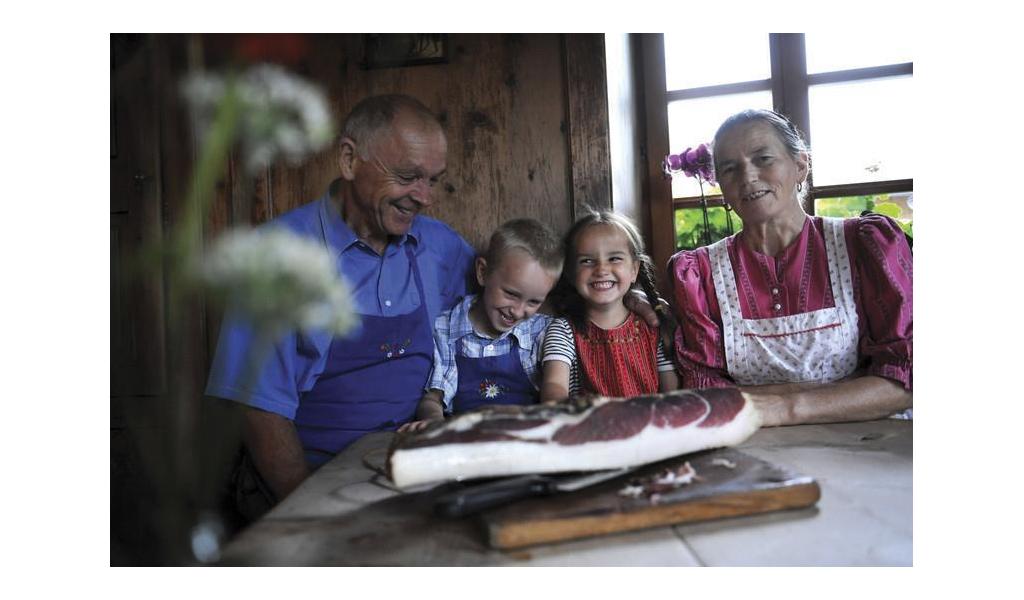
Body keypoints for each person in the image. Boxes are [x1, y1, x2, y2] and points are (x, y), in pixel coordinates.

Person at [205, 94, 476, 511]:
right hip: (311, 480)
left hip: (417, 474)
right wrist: (316, 514)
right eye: (408, 176)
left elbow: (495, 323)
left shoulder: (441, 247)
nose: (425, 198)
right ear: (349, 159)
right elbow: (259, 409)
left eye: (433, 180)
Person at [668, 109, 912, 426]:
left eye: (763, 159)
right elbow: (705, 393)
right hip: (755, 453)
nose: (747, 176)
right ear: (723, 189)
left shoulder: (863, 246)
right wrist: (848, 388)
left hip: (867, 448)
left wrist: (786, 407)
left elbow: (905, 380)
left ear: (800, 165)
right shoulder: (700, 273)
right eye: (730, 169)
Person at [399, 218, 564, 433]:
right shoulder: (445, 328)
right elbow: (434, 396)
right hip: (466, 442)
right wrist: (433, 425)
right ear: (483, 272)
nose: (518, 310)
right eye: (511, 294)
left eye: (533, 302)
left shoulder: (543, 332)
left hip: (526, 441)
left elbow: (556, 396)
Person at [541, 210, 680, 403]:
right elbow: (554, 388)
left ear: (634, 270)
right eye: (587, 261)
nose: (601, 269)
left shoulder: (652, 328)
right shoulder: (564, 331)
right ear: (571, 274)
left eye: (614, 258)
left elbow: (672, 395)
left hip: (648, 428)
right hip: (590, 429)